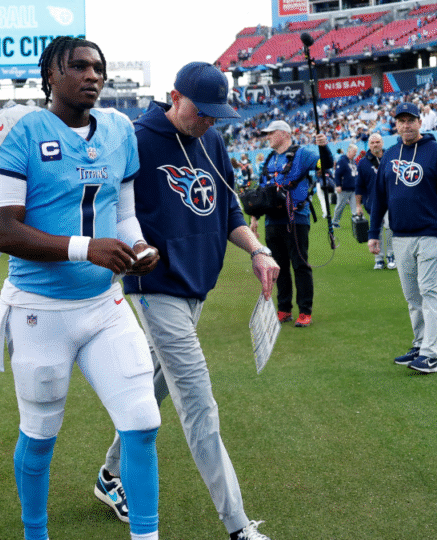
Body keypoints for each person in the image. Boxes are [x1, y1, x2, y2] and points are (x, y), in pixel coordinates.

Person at [0, 36, 162, 540]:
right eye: (78, 66)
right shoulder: (20, 130)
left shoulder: (121, 130)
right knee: (39, 436)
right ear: (50, 76)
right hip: (41, 309)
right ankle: (35, 533)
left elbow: (123, 214)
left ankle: (147, 535)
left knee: (143, 421)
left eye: (98, 67)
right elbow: (5, 231)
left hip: (104, 304)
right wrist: (87, 248)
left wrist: (137, 246)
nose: (92, 75)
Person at [94, 61, 277, 540]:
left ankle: (109, 473)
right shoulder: (136, 138)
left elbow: (228, 208)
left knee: (155, 385)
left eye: (217, 113)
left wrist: (257, 250)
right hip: (155, 288)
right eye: (201, 111)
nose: (209, 121)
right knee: (198, 400)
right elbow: (107, 206)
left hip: (198, 286)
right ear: (174, 97)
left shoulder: (212, 140)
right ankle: (238, 526)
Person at [369, 102, 437, 374]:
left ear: (420, 122)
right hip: (400, 236)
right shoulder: (389, 155)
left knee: (430, 292)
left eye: (411, 120)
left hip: (431, 234)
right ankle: (420, 343)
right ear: (396, 124)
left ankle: (431, 355)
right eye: (401, 121)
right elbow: (379, 199)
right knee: (412, 296)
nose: (406, 125)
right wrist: (374, 233)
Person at [250, 121, 333, 328]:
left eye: (271, 133)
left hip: (296, 219)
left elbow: (326, 164)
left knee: (300, 266)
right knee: (278, 268)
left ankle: (305, 311)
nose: (267, 137)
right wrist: (254, 219)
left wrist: (323, 147)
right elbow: (262, 192)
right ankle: (284, 309)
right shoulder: (268, 158)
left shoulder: (303, 154)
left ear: (283, 134)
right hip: (272, 221)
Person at [355, 133, 394, 270]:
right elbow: (359, 185)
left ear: (382, 143)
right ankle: (378, 259)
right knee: (376, 230)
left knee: (389, 227)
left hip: (390, 200)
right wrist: (358, 205)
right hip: (372, 203)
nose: (375, 145)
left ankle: (391, 255)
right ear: (369, 145)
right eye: (372, 143)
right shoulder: (363, 162)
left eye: (377, 142)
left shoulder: (390, 157)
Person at [332, 143, 359, 228]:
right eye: (354, 152)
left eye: (356, 152)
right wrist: (338, 185)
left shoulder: (354, 162)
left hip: (353, 188)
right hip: (344, 188)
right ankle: (335, 222)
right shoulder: (342, 161)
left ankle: (356, 222)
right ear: (349, 151)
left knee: (354, 206)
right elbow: (337, 174)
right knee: (340, 206)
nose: (355, 154)